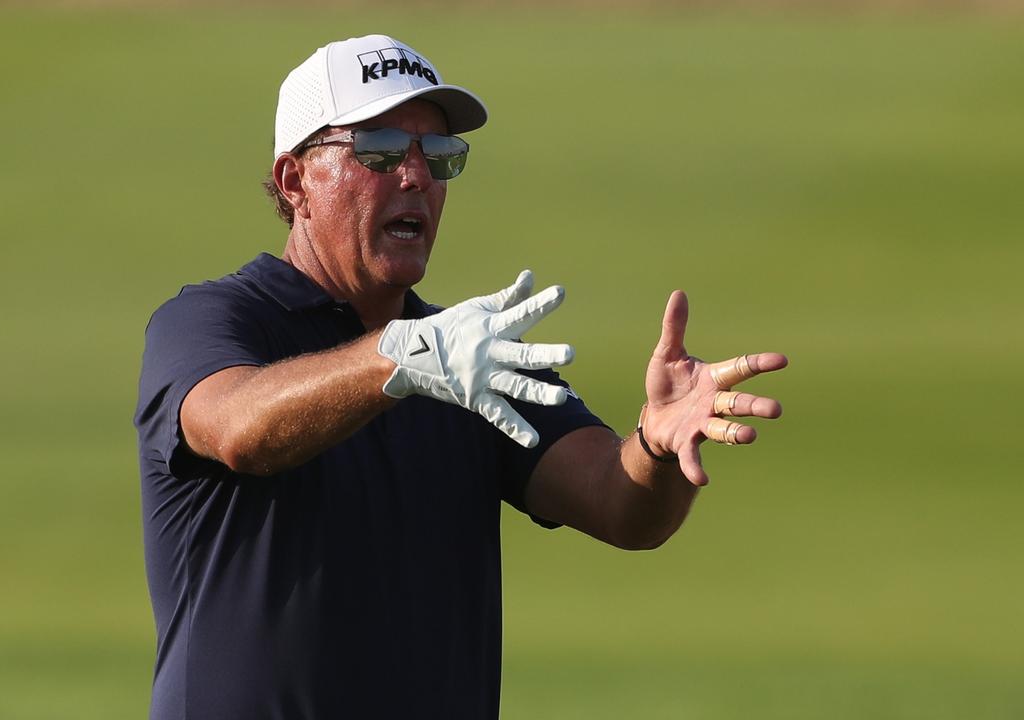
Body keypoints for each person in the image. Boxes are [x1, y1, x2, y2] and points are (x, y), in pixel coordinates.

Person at [134, 34, 787, 720]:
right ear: (295, 180)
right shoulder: (210, 322)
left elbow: (619, 505)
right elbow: (241, 427)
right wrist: (405, 358)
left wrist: (655, 447)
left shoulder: (466, 355)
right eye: (381, 152)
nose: (416, 177)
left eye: (438, 156)